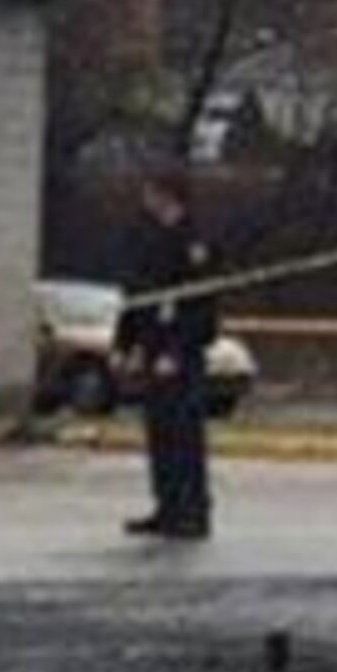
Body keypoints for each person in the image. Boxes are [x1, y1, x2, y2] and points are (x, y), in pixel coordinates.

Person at [113, 173, 221, 541]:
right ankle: (167, 507)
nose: (146, 199)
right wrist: (124, 345)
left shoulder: (194, 242)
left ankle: (194, 512)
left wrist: (176, 352)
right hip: (153, 350)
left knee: (185, 436)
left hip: (181, 355)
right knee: (159, 436)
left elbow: (201, 310)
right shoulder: (150, 238)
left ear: (168, 195)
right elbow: (137, 297)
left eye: (152, 192)